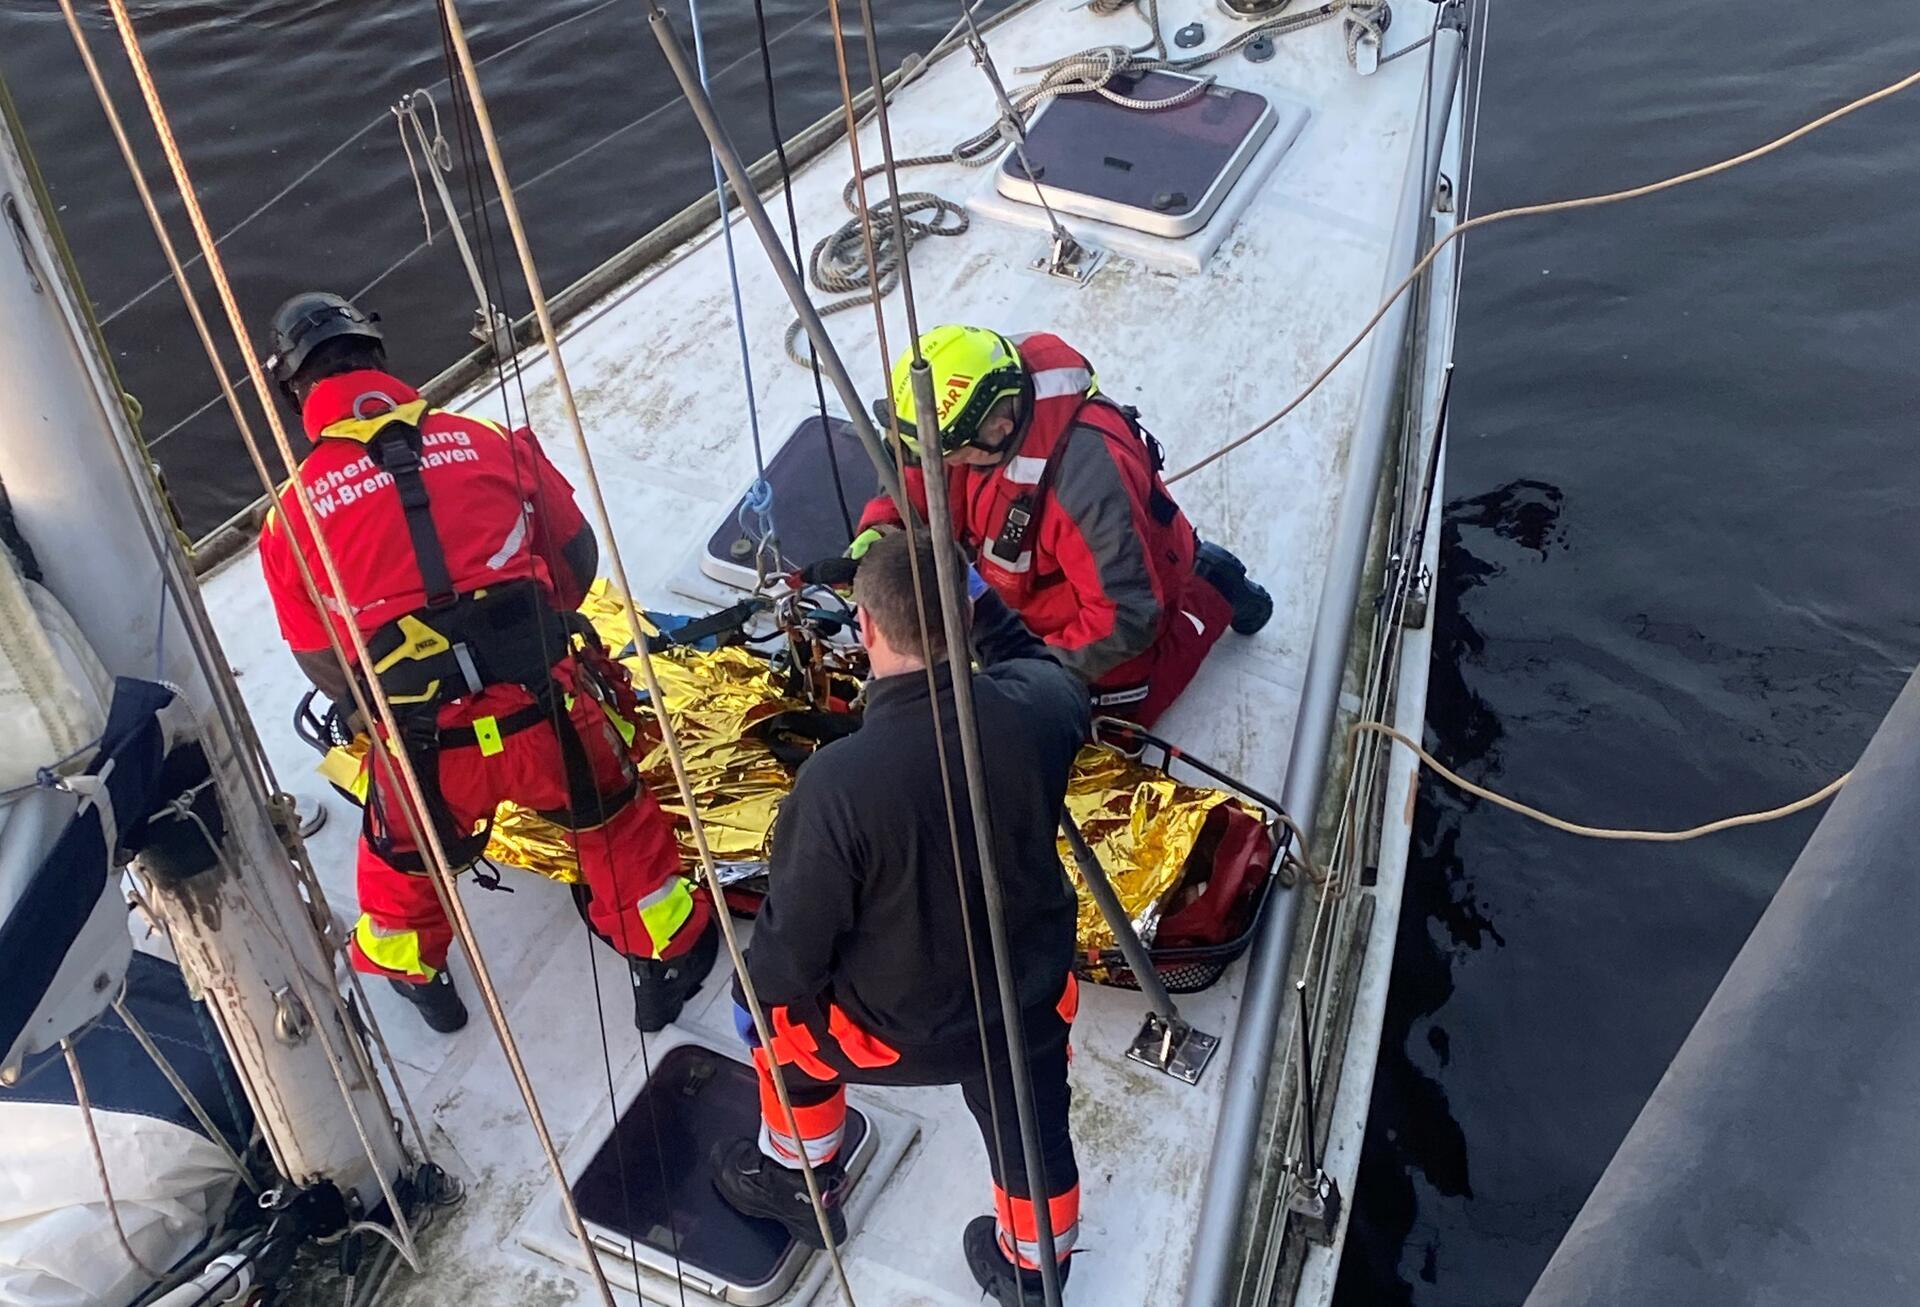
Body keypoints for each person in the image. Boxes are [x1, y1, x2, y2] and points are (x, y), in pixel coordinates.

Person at [256, 291, 716, 1035]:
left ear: (295, 392)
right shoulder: (487, 437)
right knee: (619, 827)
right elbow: (577, 563)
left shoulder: (292, 513)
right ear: (378, 357)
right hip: (549, 719)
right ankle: (660, 961)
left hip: (426, 754)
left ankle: (419, 980)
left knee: (402, 865)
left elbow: (325, 660)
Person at [711, 530, 1085, 1304]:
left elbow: (791, 955)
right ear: (967, 613)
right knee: (1034, 1124)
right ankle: (1033, 1270)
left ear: (866, 626)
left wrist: (756, 1003)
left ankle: (801, 1181)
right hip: (1025, 1011)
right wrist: (975, 600)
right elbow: (1043, 667)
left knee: (778, 1024)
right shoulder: (1041, 713)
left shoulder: (835, 784)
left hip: (889, 1036)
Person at [853, 324, 1272, 728]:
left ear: (998, 429)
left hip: (1115, 595)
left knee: (1108, 720)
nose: (944, 465)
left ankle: (1213, 585)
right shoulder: (980, 398)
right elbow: (914, 476)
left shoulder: (1085, 484)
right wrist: (883, 531)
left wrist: (1030, 677)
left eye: (953, 455)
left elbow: (1127, 616)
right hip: (1019, 591)